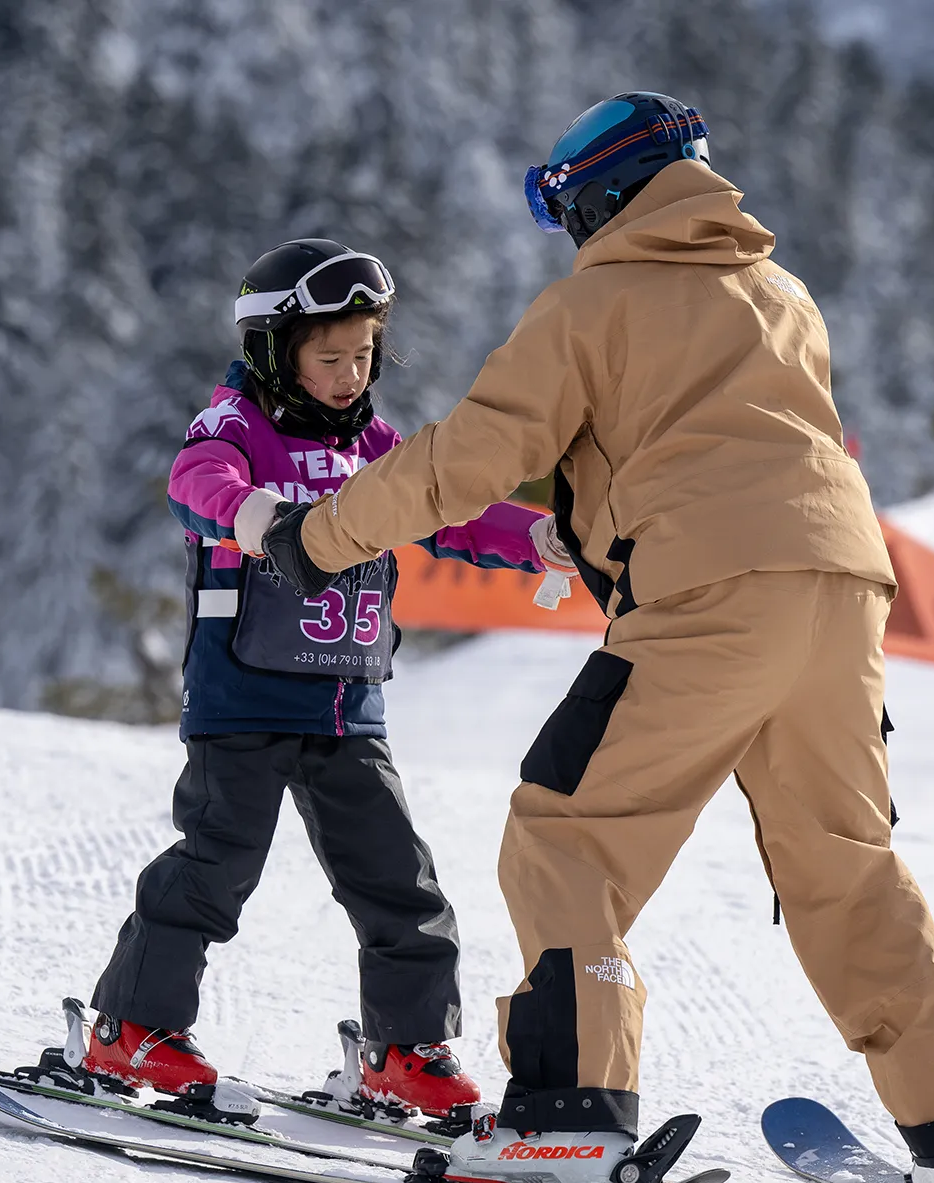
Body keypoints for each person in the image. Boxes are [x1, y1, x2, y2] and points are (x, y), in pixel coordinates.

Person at [261, 96, 934, 1183]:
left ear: (600, 198)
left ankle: (571, 1113)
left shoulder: (594, 303)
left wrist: (314, 538)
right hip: (844, 594)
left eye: (566, 206)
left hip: (706, 594)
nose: (566, 228)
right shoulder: (780, 294)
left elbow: (468, 457)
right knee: (842, 861)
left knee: (566, 830)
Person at [81, 239, 573, 1124]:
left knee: (398, 880)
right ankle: (134, 1025)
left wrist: (533, 537)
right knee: (215, 866)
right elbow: (195, 481)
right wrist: (259, 514)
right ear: (276, 351)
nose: (352, 374)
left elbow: (447, 509)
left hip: (349, 702)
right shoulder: (237, 426)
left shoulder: (376, 446)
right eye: (330, 357)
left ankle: (405, 1048)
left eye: (364, 354)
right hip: (244, 696)